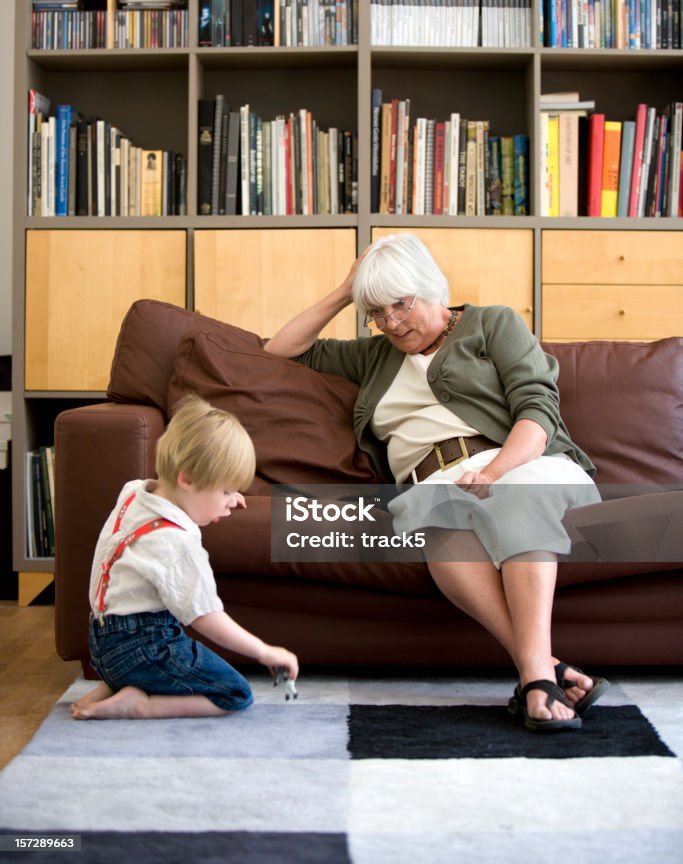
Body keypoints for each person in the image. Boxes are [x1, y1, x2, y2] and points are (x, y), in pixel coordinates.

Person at [264, 232, 607, 732]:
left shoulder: (493, 323)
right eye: (376, 312)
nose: (392, 323)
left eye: (400, 305)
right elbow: (280, 351)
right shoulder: (374, 355)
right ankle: (545, 670)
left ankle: (535, 678)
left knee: (517, 499)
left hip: (519, 465)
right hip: (433, 486)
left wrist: (494, 473)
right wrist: (345, 290)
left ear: (432, 289)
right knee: (438, 527)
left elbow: (537, 410)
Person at [71, 395, 298, 721]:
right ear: (188, 480)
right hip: (142, 649)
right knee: (234, 694)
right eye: (224, 492)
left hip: (101, 642)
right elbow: (207, 618)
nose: (230, 502)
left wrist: (224, 493)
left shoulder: (135, 492)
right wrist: (265, 651)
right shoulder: (177, 544)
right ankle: (141, 704)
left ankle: (116, 683)